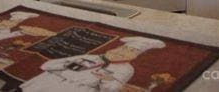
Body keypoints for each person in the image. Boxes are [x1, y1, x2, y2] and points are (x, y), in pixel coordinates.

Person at [20, 36, 166, 92]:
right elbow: (47, 65)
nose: (121, 52)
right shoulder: (91, 56)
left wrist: (105, 80)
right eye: (121, 48)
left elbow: (112, 88)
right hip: (46, 84)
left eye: (129, 51)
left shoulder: (126, 69)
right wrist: (65, 65)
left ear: (134, 56)